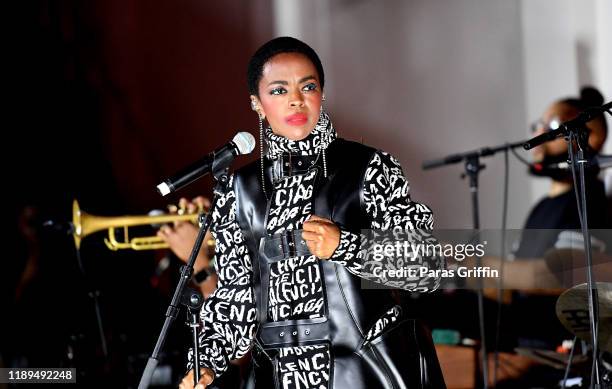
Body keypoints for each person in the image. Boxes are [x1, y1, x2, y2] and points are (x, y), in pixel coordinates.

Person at [179, 36, 446, 389]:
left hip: (364, 371)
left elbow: (426, 267)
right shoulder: (239, 189)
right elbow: (234, 297)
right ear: (256, 104)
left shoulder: (367, 167)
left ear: (321, 93)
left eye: (308, 86)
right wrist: (207, 361)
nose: (295, 99)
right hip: (274, 377)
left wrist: (347, 246)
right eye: (278, 90)